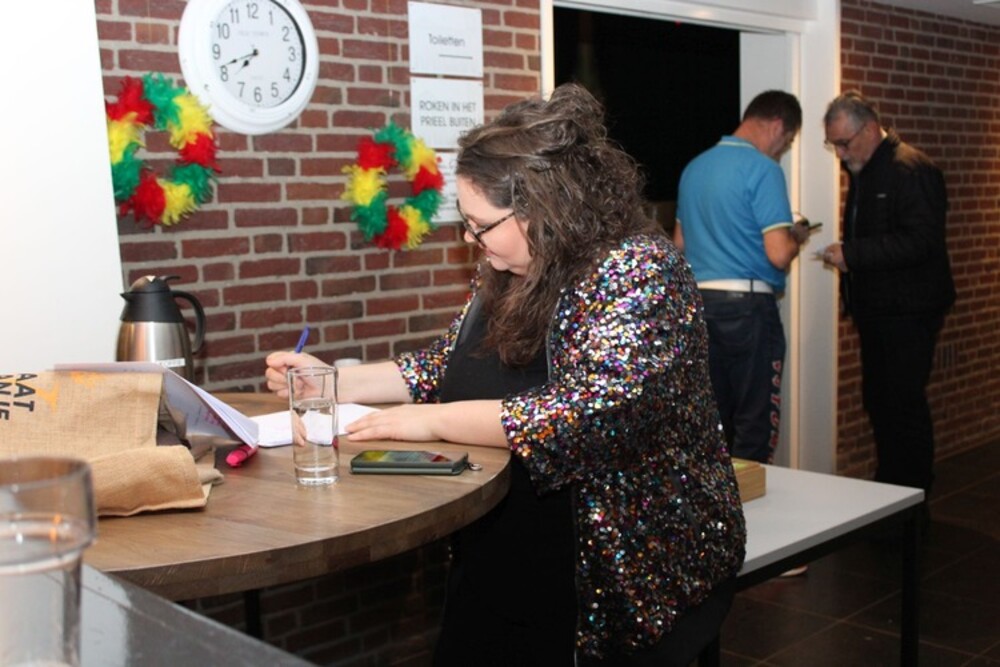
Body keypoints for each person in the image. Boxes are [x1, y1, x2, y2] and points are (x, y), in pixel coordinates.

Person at [265, 83, 746, 666]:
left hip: (617, 573)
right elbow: (445, 364)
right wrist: (332, 383)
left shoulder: (639, 270)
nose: (471, 239)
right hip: (503, 552)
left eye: (480, 224)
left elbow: (593, 414)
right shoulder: (508, 266)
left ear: (542, 210)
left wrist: (430, 423)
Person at [820, 91, 955, 496]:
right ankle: (892, 490)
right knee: (881, 403)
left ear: (869, 128)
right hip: (879, 310)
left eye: (844, 143)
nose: (840, 154)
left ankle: (911, 496)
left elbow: (921, 242)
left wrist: (852, 255)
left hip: (909, 311)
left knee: (903, 405)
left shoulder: (910, 169)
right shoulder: (866, 169)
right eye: (833, 145)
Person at [673, 90, 812, 464]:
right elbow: (778, 253)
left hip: (700, 305)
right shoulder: (764, 170)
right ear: (777, 126)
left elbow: (680, 243)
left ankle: (716, 496)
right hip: (748, 309)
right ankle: (752, 498)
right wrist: (796, 237)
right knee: (755, 421)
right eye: (787, 141)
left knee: (713, 418)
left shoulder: (694, 167)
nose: (782, 151)